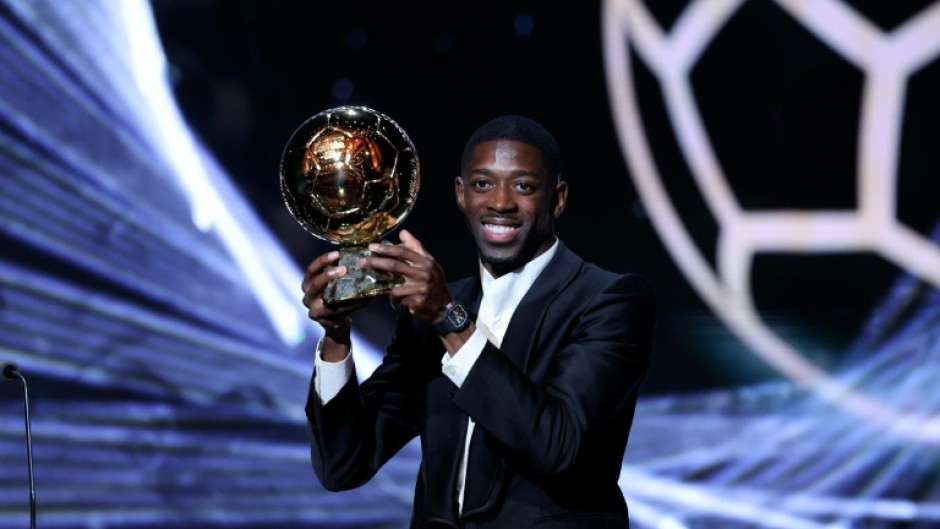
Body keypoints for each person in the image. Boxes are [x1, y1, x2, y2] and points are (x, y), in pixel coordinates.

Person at [301, 114, 657, 528]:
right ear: (461, 194)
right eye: (483, 184)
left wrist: (448, 320)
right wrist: (336, 338)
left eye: (523, 186)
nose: (500, 202)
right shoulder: (429, 315)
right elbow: (343, 466)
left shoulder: (609, 300)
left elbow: (559, 446)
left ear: (557, 199)